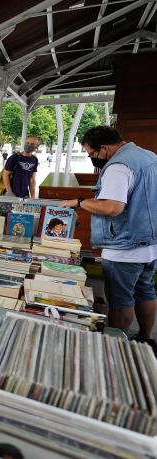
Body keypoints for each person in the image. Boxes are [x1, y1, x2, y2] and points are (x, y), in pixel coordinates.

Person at [60, 126, 157, 351]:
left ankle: (116, 347)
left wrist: (80, 202)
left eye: (92, 154)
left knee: (120, 299)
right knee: (145, 290)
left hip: (125, 246)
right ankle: (145, 338)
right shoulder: (149, 156)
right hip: (150, 243)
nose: (92, 159)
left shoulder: (119, 167)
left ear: (104, 148)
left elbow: (112, 207)